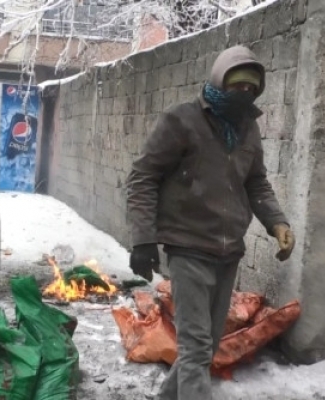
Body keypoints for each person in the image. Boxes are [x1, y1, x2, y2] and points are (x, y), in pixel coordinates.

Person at [125, 45, 295, 400]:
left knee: (204, 346)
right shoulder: (182, 120)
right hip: (188, 248)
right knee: (197, 346)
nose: (244, 95)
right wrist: (143, 239)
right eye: (237, 87)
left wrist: (277, 223)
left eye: (251, 89)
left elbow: (256, 181)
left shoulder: (247, 128)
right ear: (219, 81)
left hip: (228, 251)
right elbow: (143, 177)